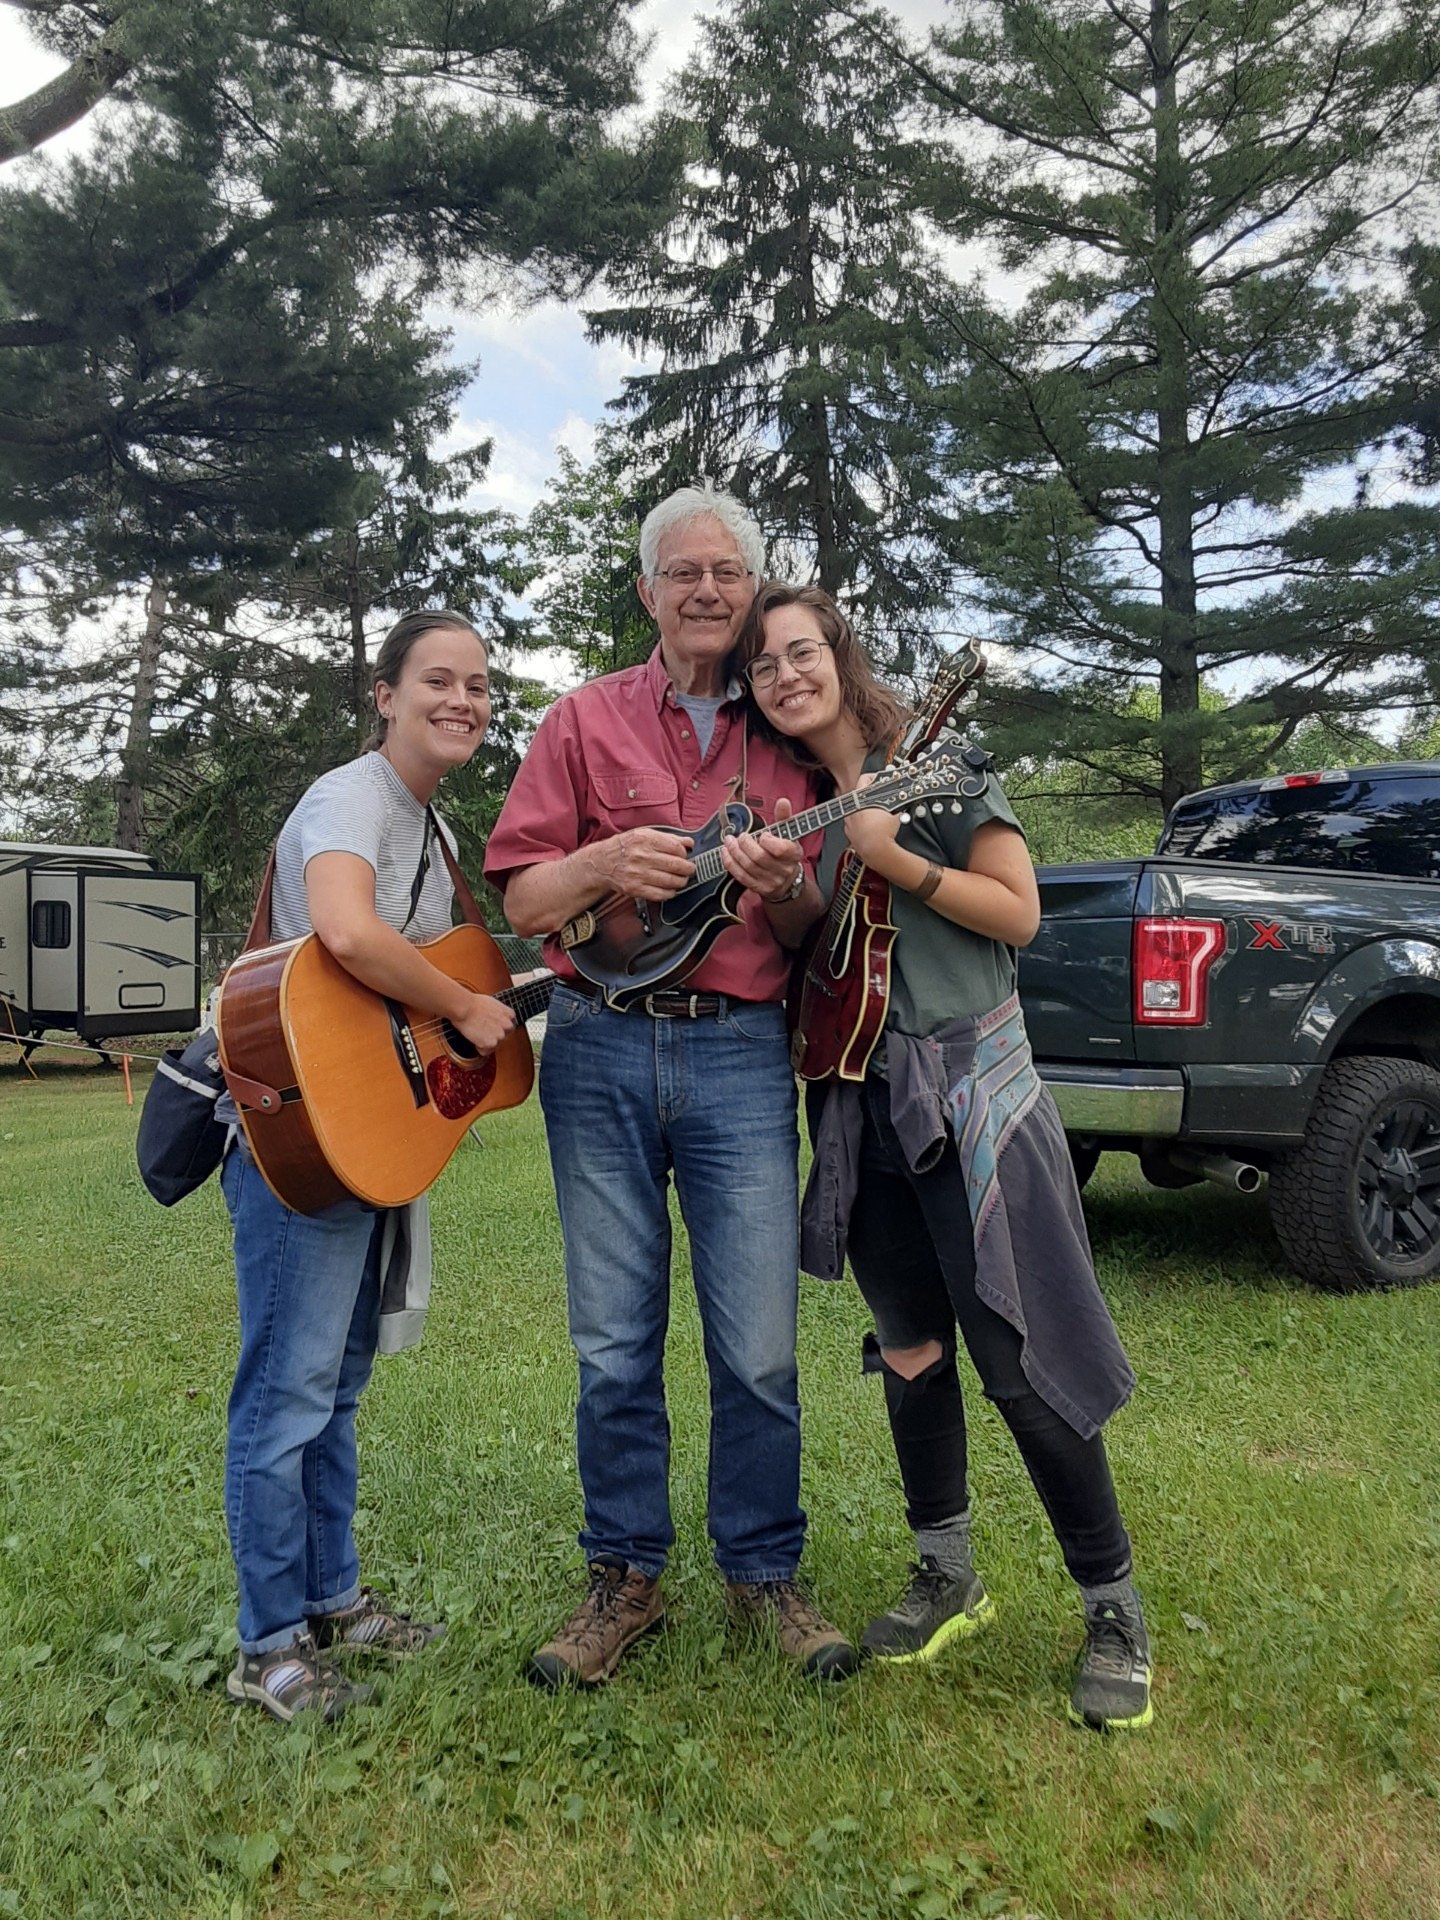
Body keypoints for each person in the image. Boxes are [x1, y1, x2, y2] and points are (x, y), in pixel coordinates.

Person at [736, 582, 1153, 1732]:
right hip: (859, 1107)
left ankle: (1113, 1607)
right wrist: (782, 900)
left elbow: (1017, 914)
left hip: (967, 1091)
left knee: (1020, 1353)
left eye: (800, 650)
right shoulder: (803, 803)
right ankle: (947, 1572)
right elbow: (830, 961)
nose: (784, 675)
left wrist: (901, 858)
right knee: (910, 1349)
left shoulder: (931, 761)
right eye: (764, 664)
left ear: (839, 654)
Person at [484, 486, 860, 1686]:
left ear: (753, 592)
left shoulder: (794, 742)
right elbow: (523, 903)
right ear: (647, 591)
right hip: (595, 1046)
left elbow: (808, 935)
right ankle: (624, 1579)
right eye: (683, 571)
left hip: (741, 1050)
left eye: (730, 573)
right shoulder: (583, 723)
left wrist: (785, 884)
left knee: (756, 1343)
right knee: (612, 1342)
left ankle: (763, 1575)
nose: (708, 590)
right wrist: (598, 858)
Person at [220, 610, 516, 1723]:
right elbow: (343, 933)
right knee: (286, 1394)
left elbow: (414, 998)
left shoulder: (432, 832)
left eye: (480, 687)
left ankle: (335, 1603)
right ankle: (268, 1649)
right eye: (438, 680)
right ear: (385, 695)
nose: (463, 701)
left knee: (335, 1391)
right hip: (295, 1137)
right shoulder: (350, 798)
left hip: (359, 1135)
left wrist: (458, 1034)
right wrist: (461, 1007)